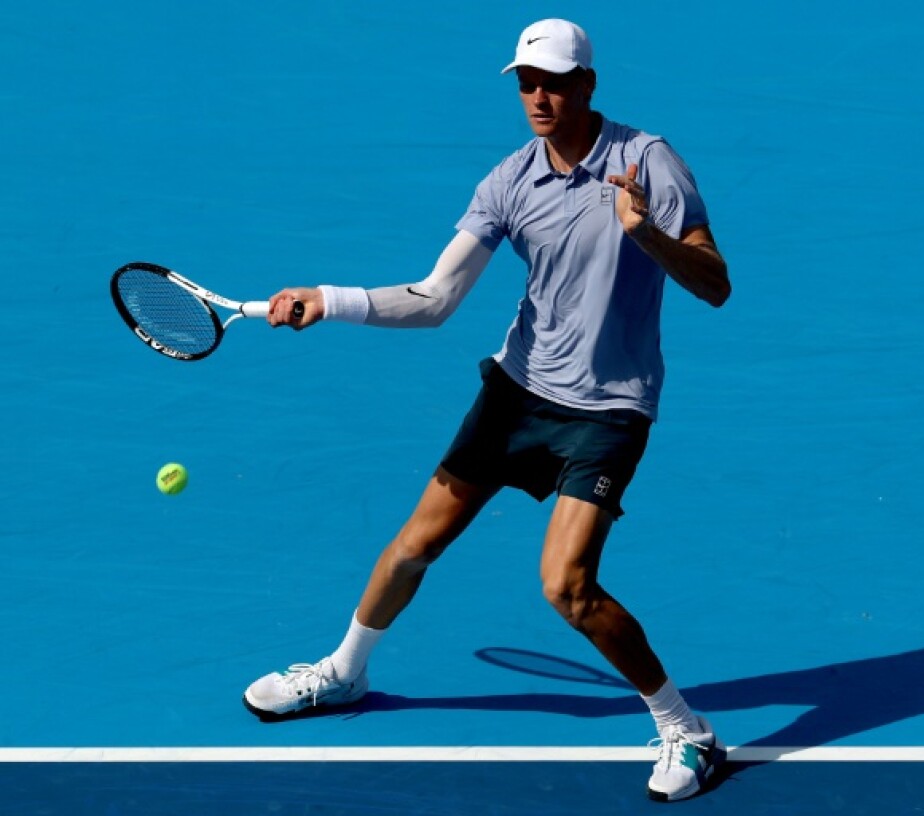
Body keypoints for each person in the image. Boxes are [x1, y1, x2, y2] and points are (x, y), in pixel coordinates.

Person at [243, 18, 731, 803]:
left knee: (567, 587)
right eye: (526, 83)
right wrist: (326, 300)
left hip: (607, 410)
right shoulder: (508, 181)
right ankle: (344, 673)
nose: (538, 96)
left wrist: (645, 235)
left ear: (588, 86)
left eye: (554, 82)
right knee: (413, 545)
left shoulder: (649, 162)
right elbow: (435, 300)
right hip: (517, 391)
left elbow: (714, 282)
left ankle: (689, 731)